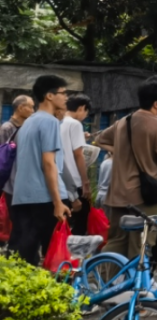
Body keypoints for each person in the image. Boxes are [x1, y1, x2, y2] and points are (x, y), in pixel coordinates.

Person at [98, 79, 157, 259]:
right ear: (156, 104)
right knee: (141, 242)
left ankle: (105, 274)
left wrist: (120, 152)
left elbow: (101, 139)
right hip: (144, 194)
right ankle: (135, 276)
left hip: (117, 192)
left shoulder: (123, 121)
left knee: (116, 240)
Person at [9, 76, 71, 264]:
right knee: (56, 258)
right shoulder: (50, 122)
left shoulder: (28, 122)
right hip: (46, 198)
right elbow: (49, 163)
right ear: (49, 96)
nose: (66, 97)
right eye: (63, 93)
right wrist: (58, 202)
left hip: (23, 196)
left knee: (24, 256)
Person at [60, 94, 93, 236]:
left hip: (59, 180)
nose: (85, 116)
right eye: (86, 112)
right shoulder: (75, 124)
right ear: (81, 108)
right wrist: (85, 181)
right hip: (74, 181)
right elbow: (78, 154)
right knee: (80, 223)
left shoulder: (58, 121)